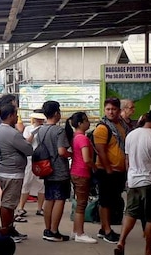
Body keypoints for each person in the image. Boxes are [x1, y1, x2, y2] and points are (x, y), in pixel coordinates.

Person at [114, 109, 151, 255]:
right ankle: (149, 250)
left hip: (133, 180)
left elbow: (127, 159)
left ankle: (121, 241)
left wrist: (129, 176)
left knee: (130, 213)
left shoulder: (131, 134)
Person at [0, 102, 33, 243]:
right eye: (16, 114)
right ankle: (7, 230)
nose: (17, 117)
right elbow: (28, 149)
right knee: (8, 204)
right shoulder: (12, 133)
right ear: (10, 115)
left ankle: (10, 228)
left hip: (5, 170)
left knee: (9, 202)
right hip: (13, 173)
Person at [92, 97, 128, 243]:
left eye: (113, 109)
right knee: (105, 201)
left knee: (112, 200)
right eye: (108, 109)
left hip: (119, 170)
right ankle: (107, 230)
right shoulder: (102, 128)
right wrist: (108, 169)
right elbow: (101, 150)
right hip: (107, 170)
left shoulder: (121, 125)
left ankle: (104, 228)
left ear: (119, 110)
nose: (111, 112)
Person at [38, 100, 72, 242]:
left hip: (46, 169)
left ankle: (47, 229)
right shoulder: (59, 130)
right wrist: (72, 155)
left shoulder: (41, 130)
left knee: (49, 198)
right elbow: (62, 151)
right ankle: (54, 230)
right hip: (59, 169)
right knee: (60, 199)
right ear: (57, 113)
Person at [64, 111, 97, 243]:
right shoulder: (83, 138)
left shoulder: (75, 137)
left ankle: (76, 230)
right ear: (80, 123)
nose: (88, 122)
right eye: (86, 120)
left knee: (79, 202)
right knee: (81, 204)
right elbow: (87, 158)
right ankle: (80, 232)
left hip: (75, 171)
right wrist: (94, 166)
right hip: (82, 172)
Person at [19, 110, 46, 217]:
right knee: (26, 182)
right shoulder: (28, 129)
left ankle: (40, 208)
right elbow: (26, 142)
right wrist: (33, 133)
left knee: (42, 184)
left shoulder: (45, 129)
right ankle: (21, 207)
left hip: (41, 159)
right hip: (30, 158)